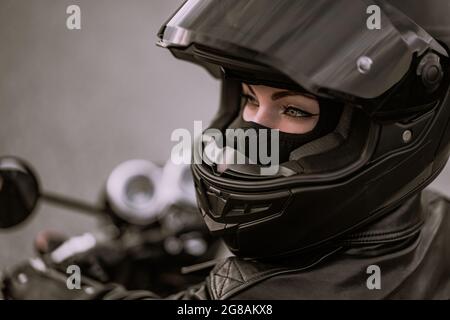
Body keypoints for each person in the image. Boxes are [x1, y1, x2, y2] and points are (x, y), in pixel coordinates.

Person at [2, 0, 450, 299]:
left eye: (294, 111)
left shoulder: (256, 296)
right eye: (250, 100)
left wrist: (44, 288)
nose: (253, 127)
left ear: (387, 130)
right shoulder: (434, 220)